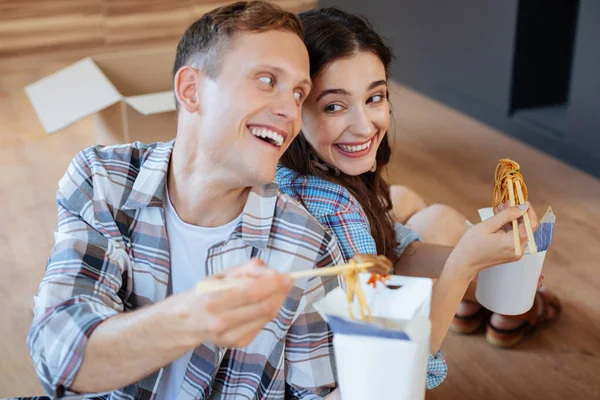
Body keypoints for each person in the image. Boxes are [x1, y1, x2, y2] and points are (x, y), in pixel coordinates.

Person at [27, 2, 344, 399]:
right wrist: (194, 316)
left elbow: (317, 393)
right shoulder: (104, 182)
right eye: (266, 80)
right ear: (191, 90)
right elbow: (59, 359)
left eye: (299, 93)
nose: (289, 110)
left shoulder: (308, 247)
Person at [277, 7, 555, 367]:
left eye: (374, 97)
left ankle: (477, 305)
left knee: (406, 202)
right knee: (443, 222)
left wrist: (484, 263)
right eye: (334, 106)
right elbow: (396, 364)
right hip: (369, 371)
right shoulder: (332, 209)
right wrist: (464, 263)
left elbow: (389, 251)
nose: (364, 127)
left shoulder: (299, 167)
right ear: (294, 105)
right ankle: (501, 310)